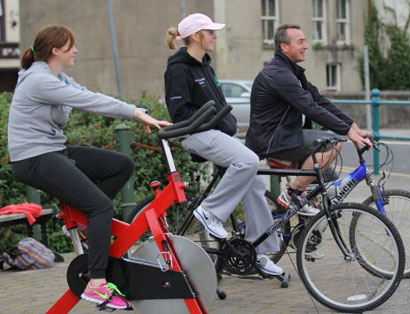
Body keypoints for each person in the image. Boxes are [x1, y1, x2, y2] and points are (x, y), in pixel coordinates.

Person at [7, 25, 170, 309]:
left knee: (120, 165)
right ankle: (96, 283)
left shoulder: (59, 77)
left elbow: (89, 93)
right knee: (101, 208)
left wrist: (138, 112)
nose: (76, 51)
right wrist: (133, 113)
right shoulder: (38, 80)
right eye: (71, 46)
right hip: (33, 158)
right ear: (55, 50)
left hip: (53, 150)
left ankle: (85, 223)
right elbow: (89, 102)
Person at [164, 13, 283, 276]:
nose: (215, 37)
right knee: (248, 160)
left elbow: (217, 104)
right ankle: (210, 212)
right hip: (197, 134)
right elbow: (179, 113)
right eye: (210, 32)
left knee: (254, 182)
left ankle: (257, 252)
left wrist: (226, 123)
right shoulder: (179, 69)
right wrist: (214, 121)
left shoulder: (205, 65)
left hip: (216, 133)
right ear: (196, 36)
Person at [246, 24, 372, 216]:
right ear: (284, 47)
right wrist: (348, 133)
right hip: (273, 140)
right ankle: (292, 194)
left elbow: (319, 100)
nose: (306, 46)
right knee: (333, 144)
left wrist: (353, 126)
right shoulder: (279, 74)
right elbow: (310, 108)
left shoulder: (291, 71)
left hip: (286, 137)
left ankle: (306, 235)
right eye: (301, 42)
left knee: (329, 183)